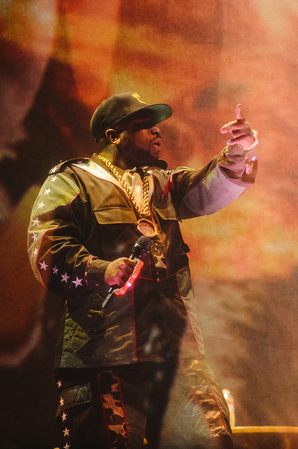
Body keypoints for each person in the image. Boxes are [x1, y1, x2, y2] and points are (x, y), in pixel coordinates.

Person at [27, 91, 258, 449]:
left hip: (176, 351)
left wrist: (238, 152)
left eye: (157, 125)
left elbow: (210, 187)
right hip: (103, 356)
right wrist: (99, 269)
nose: (157, 131)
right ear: (113, 135)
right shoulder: (72, 180)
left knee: (213, 440)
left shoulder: (161, 182)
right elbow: (45, 247)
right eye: (144, 125)